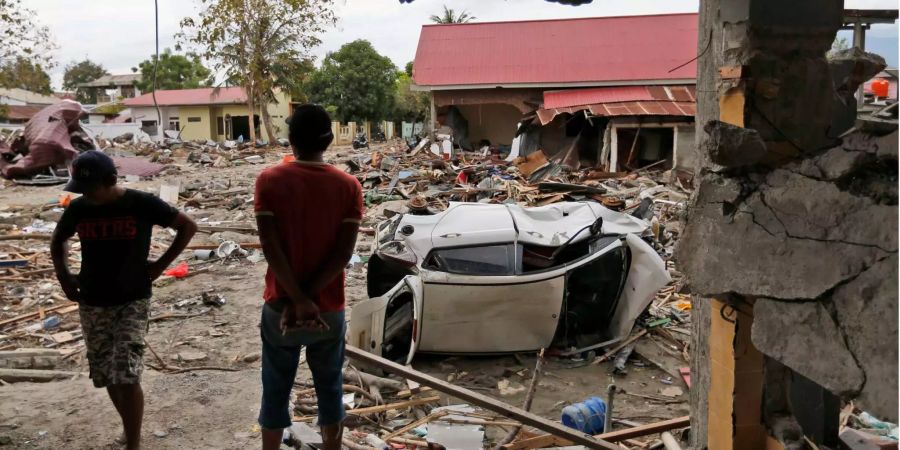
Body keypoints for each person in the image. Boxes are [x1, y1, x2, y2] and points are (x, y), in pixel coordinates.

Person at [50, 150, 197, 450]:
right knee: (106, 375)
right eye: (81, 190)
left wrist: (159, 266)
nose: (86, 195)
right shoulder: (78, 209)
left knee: (126, 372)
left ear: (112, 180)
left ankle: (133, 442)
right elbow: (58, 241)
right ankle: (130, 429)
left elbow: (187, 226)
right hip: (92, 300)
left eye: (91, 189)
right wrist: (64, 276)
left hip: (132, 298)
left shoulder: (141, 203)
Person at [254, 104, 363, 450]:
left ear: (290, 140)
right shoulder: (348, 186)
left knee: (275, 387)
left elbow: (271, 248)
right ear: (330, 140)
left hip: (280, 307)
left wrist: (296, 300)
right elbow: (343, 255)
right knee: (329, 387)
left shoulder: (269, 181)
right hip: (327, 307)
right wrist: (311, 300)